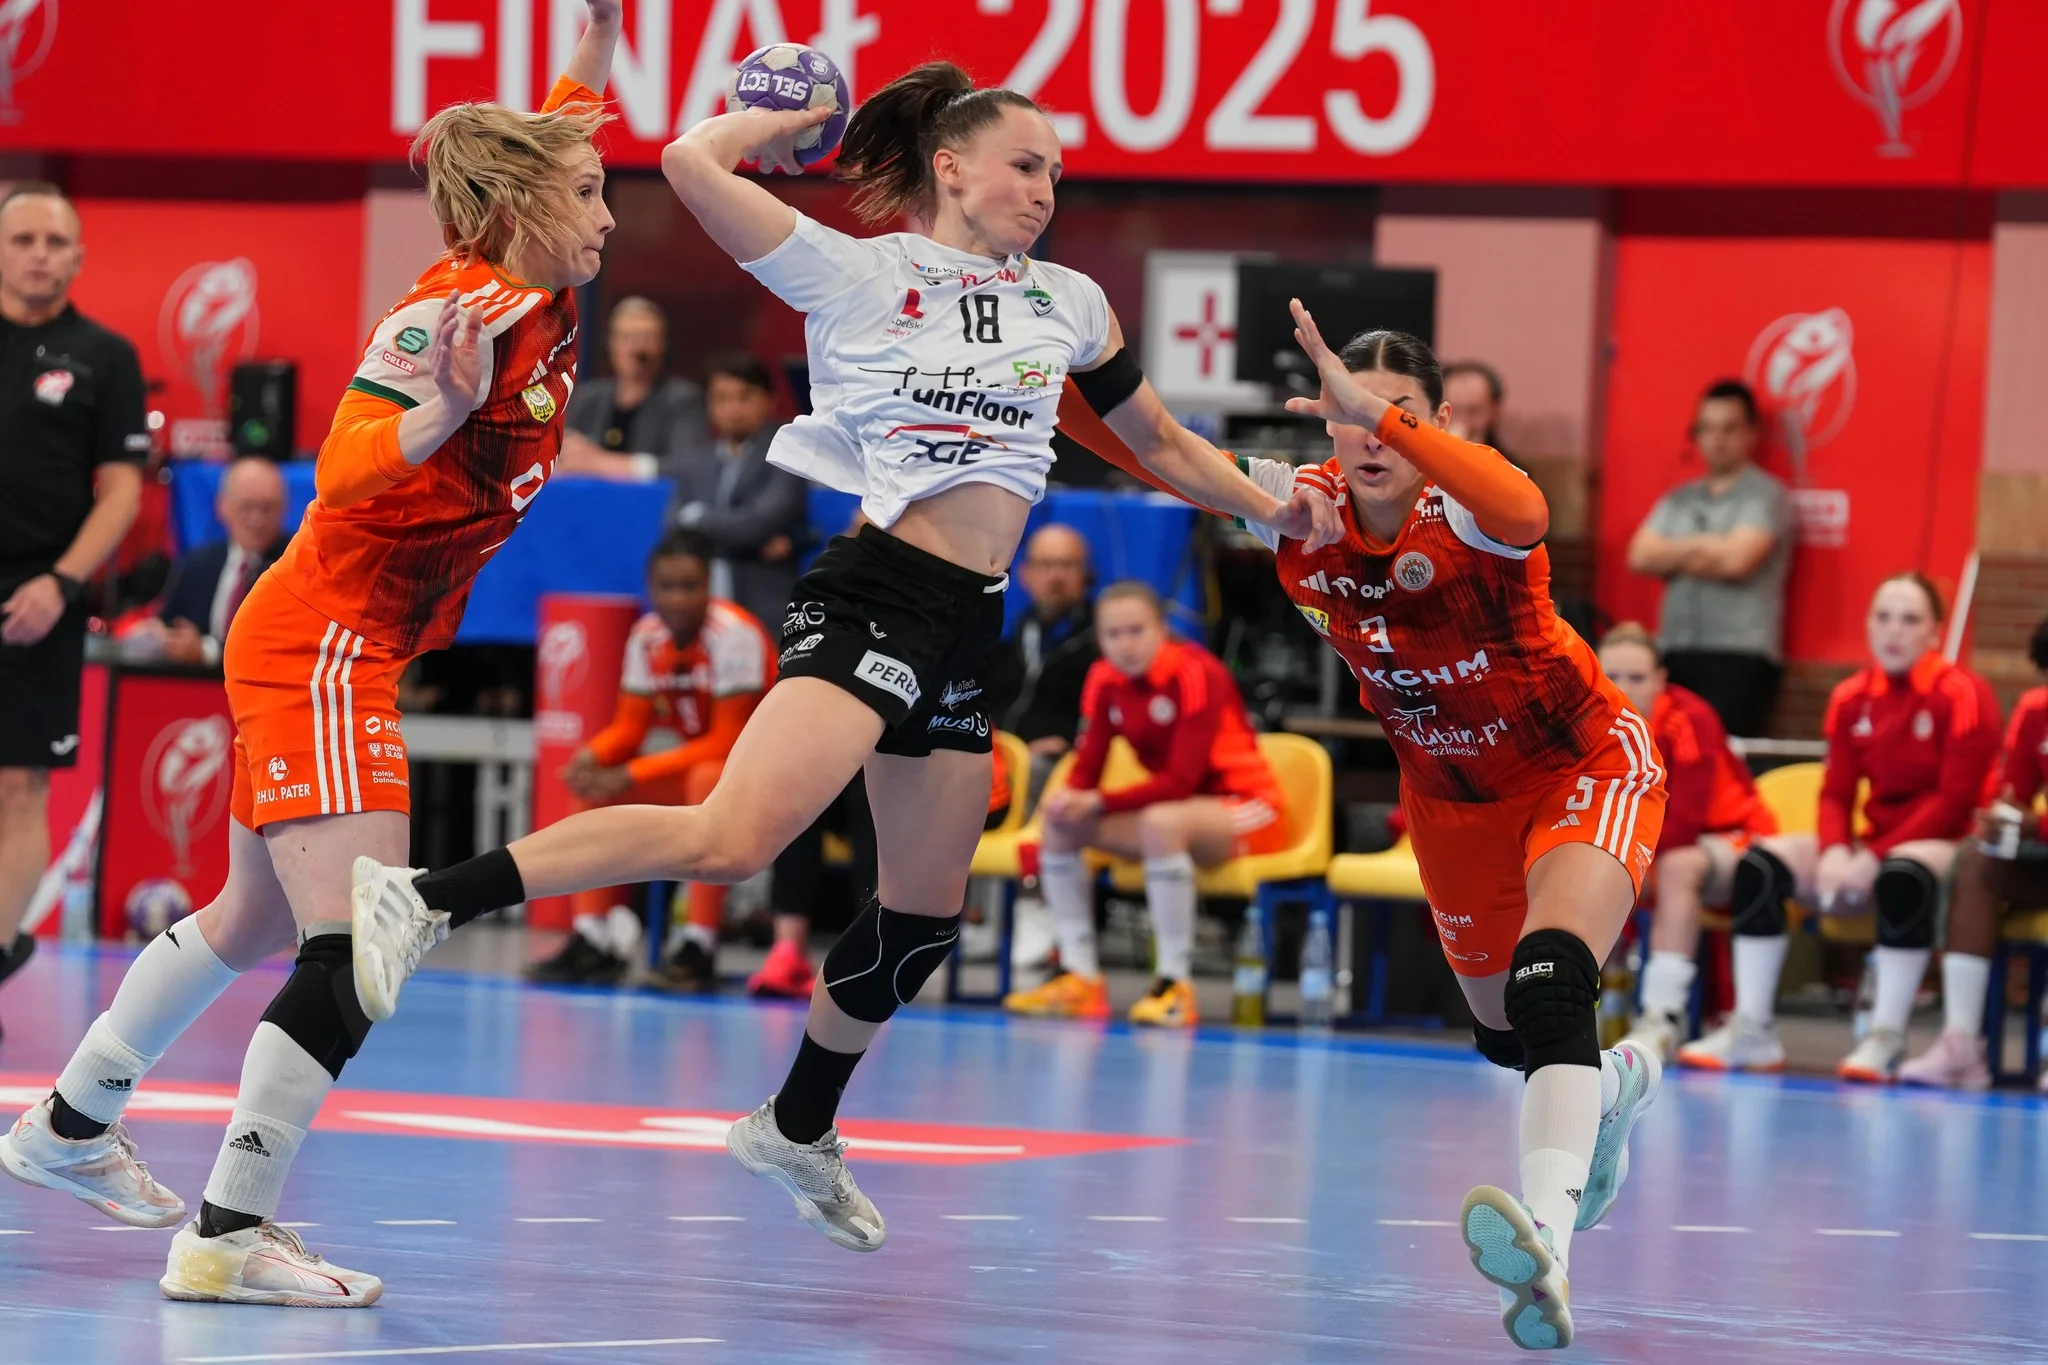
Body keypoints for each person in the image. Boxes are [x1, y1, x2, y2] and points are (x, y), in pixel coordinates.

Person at [346, 60, 1339, 1256]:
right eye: (1024, 166)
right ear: (950, 167)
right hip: (876, 594)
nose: (1044, 190)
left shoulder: (1071, 302)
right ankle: (424, 900)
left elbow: (1160, 441)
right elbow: (689, 163)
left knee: (920, 917)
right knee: (732, 837)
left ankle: (796, 1126)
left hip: (969, 619)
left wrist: (1266, 510)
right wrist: (784, 123)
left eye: (1056, 173)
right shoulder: (854, 269)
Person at [0, 3, 622, 1306]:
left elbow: (560, 124)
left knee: (251, 919)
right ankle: (230, 1231)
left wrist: (600, 30)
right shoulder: (461, 313)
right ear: (519, 205)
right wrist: (441, 414)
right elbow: (341, 467)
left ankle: (67, 1126)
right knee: (362, 943)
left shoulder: (535, 257)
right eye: (588, 193)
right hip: (330, 638)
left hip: (332, 633)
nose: (608, 214)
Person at [1078, 310, 1665, 1350]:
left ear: (1436, 423)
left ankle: (1547, 1249)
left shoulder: (1468, 506)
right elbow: (1146, 441)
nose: (1370, 433)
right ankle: (1612, 1085)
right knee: (1506, 1035)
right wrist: (1024, 368)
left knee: (1549, 983)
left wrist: (1387, 420)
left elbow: (1527, 509)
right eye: (1347, 413)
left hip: (1578, 764)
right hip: (1451, 801)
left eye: (1396, 413)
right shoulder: (1293, 507)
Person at [1676, 574, 2002, 1083]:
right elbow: (1836, 792)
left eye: (1910, 619)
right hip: (1876, 842)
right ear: (1868, 625)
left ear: (1935, 632)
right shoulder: (1852, 696)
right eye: (1884, 617)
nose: (1894, 631)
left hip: (1949, 843)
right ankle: (1752, 1027)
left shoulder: (1963, 693)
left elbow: (1954, 799)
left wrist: (1875, 855)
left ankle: (1885, 1035)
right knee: (1761, 863)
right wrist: (1833, 850)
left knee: (1902, 872)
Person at [0, 181, 147, 1041]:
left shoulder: (105, 356)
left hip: (40, 595)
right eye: (23, 238)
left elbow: (121, 492)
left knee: (20, 784)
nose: (39, 254)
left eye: (55, 241)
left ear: (79, 257)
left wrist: (59, 582)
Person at [1001, 581, 1285, 1027]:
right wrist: (1068, 801)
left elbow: (1180, 781)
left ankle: (1174, 983)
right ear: (1100, 639)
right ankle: (1079, 977)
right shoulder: (1103, 678)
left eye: (1137, 630)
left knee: (1159, 821)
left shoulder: (1196, 672)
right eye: (1113, 634)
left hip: (1248, 809)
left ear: (1161, 630)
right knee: (1061, 825)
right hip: (1176, 817)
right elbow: (1087, 767)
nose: (1126, 644)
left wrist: (1098, 801)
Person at [525, 528, 773, 990]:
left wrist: (632, 773)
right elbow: (629, 727)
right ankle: (593, 939)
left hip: (761, 775)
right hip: (704, 773)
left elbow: (728, 741)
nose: (677, 599)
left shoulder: (734, 634)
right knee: (593, 793)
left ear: (709, 586)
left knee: (706, 779)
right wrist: (592, 756)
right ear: (650, 588)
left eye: (689, 586)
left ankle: (699, 946)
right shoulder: (646, 636)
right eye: (666, 587)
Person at [1596, 623, 1777, 1061]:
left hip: (1733, 837)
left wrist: (1621, 865)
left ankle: (1661, 1019)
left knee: (1675, 865)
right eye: (1612, 676)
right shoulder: (1586, 720)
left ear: (1661, 679)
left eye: (1637, 678)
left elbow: (1684, 821)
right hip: (1649, 845)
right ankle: (1570, 1009)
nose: (1623, 689)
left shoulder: (1690, 718)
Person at [1895, 614, 2048, 1091]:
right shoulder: (2035, 710)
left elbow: (2035, 820)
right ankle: (1961, 1045)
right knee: (1976, 861)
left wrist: (2037, 824)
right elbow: (2013, 794)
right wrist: (2004, 816)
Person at [1627, 380, 1792, 738]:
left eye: (1729, 429)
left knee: (1723, 760)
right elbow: (1640, 555)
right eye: (1707, 429)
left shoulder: (1766, 495)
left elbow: (1737, 560)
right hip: (1674, 651)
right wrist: (1710, 547)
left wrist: (1674, 553)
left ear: (1752, 434)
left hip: (1739, 658)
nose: (1717, 440)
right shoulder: (1679, 498)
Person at [668, 350, 807, 631]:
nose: (733, 408)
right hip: (702, 604)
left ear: (769, 399)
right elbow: (673, 528)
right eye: (721, 398)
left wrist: (699, 519)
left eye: (744, 397)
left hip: (764, 600)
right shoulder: (695, 461)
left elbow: (760, 523)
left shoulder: (788, 452)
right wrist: (749, 543)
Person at [130, 457, 289, 666]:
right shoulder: (199, 563)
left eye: (267, 508)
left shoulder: (293, 566)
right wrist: (158, 634)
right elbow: (167, 621)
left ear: (284, 509)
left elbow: (278, 644)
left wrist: (205, 651)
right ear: (222, 506)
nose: (256, 519)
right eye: (246, 507)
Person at [986, 523, 1097, 776]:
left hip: (1061, 764)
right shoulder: (1008, 633)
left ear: (1086, 574)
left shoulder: (1103, 641)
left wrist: (1071, 743)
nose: (1056, 576)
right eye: (1045, 565)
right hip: (1000, 753)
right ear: (1025, 574)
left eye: (1067, 565)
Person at [557, 296, 707, 481]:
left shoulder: (683, 400)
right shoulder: (589, 396)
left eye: (647, 338)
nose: (636, 349)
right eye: (626, 338)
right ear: (610, 345)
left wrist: (602, 463)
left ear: (663, 346)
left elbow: (689, 467)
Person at [1443, 360, 1513, 466]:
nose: (1461, 425)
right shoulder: (1420, 466)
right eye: (1453, 411)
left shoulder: (1512, 471)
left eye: (1473, 411)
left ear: (1494, 412)